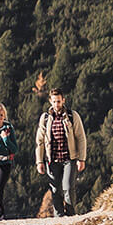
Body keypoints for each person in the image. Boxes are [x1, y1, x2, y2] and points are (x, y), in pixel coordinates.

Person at [33, 87, 87, 216]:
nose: (56, 104)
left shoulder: (72, 116)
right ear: (50, 102)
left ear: (63, 100)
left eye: (58, 101)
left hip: (69, 158)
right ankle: (59, 216)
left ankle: (70, 215)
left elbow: (81, 137)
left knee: (68, 188)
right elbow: (39, 141)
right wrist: (39, 161)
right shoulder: (45, 118)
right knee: (56, 190)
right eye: (54, 101)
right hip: (52, 160)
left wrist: (82, 158)